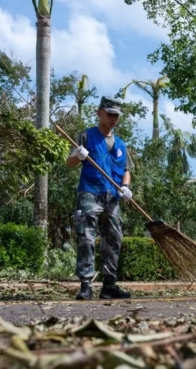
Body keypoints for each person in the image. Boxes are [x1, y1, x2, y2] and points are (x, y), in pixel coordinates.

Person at [66, 96, 135, 300]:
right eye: (110, 114)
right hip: (90, 192)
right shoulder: (86, 136)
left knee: (114, 238)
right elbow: (69, 163)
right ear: (99, 113)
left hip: (112, 197)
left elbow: (127, 169)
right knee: (86, 237)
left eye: (116, 116)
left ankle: (109, 285)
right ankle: (86, 285)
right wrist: (78, 156)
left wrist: (125, 186)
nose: (113, 118)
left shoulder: (121, 143)